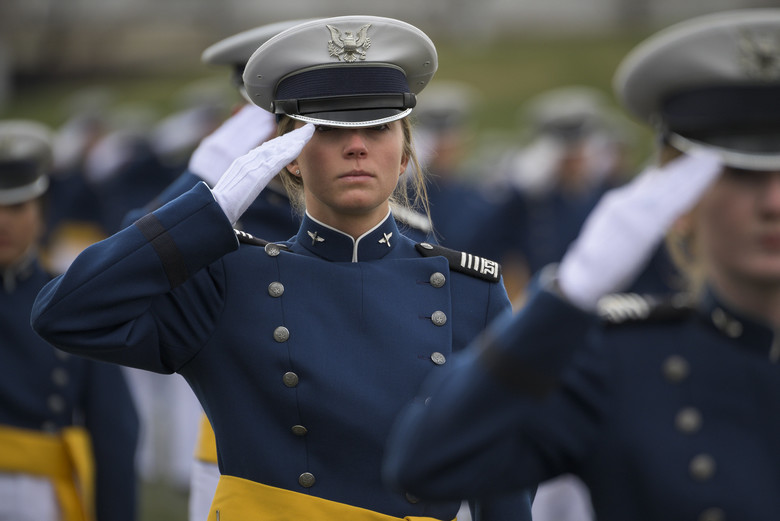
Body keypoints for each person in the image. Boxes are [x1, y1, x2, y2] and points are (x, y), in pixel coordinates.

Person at [31, 15, 531, 521]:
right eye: (329, 129)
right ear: (288, 156)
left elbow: (501, 473)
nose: (357, 145)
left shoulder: (471, 293)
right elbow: (63, 314)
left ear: (403, 156)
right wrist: (208, 208)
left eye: (379, 127)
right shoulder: (229, 280)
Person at [383, 9, 780, 521]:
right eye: (741, 172)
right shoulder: (621, 362)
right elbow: (427, 464)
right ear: (680, 195)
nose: (773, 201)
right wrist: (568, 296)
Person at [0, 119, 139, 521]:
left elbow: (114, 428)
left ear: (42, 215)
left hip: (38, 497)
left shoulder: (73, 300)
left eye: (16, 208)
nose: (3, 222)